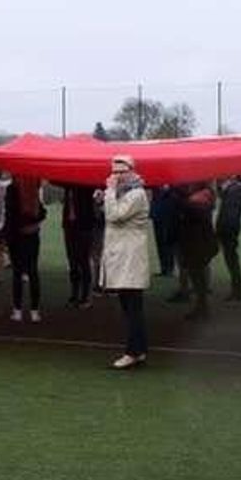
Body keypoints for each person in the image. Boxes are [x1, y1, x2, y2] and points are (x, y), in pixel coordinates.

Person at [99, 155, 152, 370]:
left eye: (121, 171)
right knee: (131, 307)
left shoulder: (137, 193)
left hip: (129, 257)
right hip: (123, 257)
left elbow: (115, 216)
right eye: (114, 172)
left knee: (132, 308)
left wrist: (109, 193)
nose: (117, 176)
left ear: (131, 171)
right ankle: (139, 350)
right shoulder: (127, 193)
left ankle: (132, 352)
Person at [176, 182, 218, 322]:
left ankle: (202, 309)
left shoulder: (201, 198)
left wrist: (179, 196)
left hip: (198, 244)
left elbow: (192, 211)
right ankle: (201, 308)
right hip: (199, 243)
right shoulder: (202, 196)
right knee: (198, 277)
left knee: (198, 277)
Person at [6, 176, 46, 322]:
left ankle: (17, 310)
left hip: (16, 236)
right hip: (32, 235)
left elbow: (9, 214)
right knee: (33, 271)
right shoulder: (33, 188)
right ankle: (34, 311)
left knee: (17, 273)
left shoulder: (12, 189)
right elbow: (42, 212)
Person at [215, 176, 241, 302]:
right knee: (230, 258)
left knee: (231, 258)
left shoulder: (235, 189)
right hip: (228, 226)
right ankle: (236, 290)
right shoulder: (232, 189)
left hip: (228, 227)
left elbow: (230, 214)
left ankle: (237, 291)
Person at [62, 183, 98, 308]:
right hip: (70, 226)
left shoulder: (86, 186)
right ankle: (74, 294)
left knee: (83, 261)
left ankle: (85, 296)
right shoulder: (68, 185)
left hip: (84, 226)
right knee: (72, 261)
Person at [149, 186, 178, 278]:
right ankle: (164, 268)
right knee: (159, 242)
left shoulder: (172, 188)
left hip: (169, 214)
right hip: (158, 214)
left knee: (168, 242)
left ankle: (170, 268)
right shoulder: (156, 186)